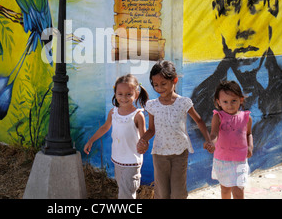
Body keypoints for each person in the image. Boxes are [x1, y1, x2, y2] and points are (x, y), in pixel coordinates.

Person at [191, 0, 282, 149]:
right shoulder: (200, 100)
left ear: (273, 6)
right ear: (217, 13)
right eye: (232, 1)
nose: (244, 26)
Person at [137, 60, 214, 199]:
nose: (159, 88)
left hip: (180, 153)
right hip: (160, 154)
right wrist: (142, 140)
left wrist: (208, 140)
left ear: (175, 80)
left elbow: (199, 120)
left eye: (163, 84)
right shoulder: (153, 105)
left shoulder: (183, 102)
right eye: (155, 85)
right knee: (162, 192)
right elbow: (152, 130)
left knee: (178, 193)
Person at [84, 74, 148, 199]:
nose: (124, 98)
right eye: (120, 94)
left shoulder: (137, 115)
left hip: (132, 162)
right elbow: (105, 127)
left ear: (137, 94)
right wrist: (91, 140)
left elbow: (144, 136)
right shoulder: (113, 112)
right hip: (118, 160)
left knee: (126, 194)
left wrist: (144, 145)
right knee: (122, 189)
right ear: (115, 93)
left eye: (129, 94)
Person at [209, 80, 253, 199]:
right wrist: (211, 143)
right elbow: (214, 134)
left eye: (234, 100)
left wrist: (250, 147)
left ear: (241, 99)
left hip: (240, 161)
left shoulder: (246, 118)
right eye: (225, 101)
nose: (230, 105)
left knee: (239, 192)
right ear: (218, 102)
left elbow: (249, 134)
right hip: (223, 160)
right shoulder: (218, 117)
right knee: (225, 190)